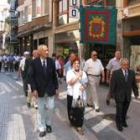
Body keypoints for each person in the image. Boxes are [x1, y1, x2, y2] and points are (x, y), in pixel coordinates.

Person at [29, 45, 58, 137]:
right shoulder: (34, 63)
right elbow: (31, 77)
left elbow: (54, 76)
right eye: (45, 50)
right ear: (40, 52)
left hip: (50, 89)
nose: (47, 52)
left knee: (51, 107)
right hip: (39, 90)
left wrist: (56, 88)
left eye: (47, 50)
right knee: (41, 110)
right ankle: (42, 127)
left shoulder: (51, 61)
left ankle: (48, 123)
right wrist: (34, 89)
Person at [110, 58, 139, 131]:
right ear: (121, 65)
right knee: (119, 110)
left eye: (127, 65)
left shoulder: (132, 73)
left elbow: (134, 84)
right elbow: (112, 85)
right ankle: (118, 123)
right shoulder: (116, 73)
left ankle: (123, 121)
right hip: (119, 96)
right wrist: (113, 95)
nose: (126, 66)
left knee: (125, 110)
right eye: (124, 65)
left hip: (128, 96)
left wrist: (136, 93)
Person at [66, 57, 88, 135]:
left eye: (78, 63)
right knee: (71, 110)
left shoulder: (83, 73)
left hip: (80, 95)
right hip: (71, 94)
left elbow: (86, 83)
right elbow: (70, 82)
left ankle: (79, 126)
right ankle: (72, 121)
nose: (77, 65)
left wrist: (84, 86)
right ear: (72, 65)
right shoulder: (69, 72)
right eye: (75, 63)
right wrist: (78, 76)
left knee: (80, 111)